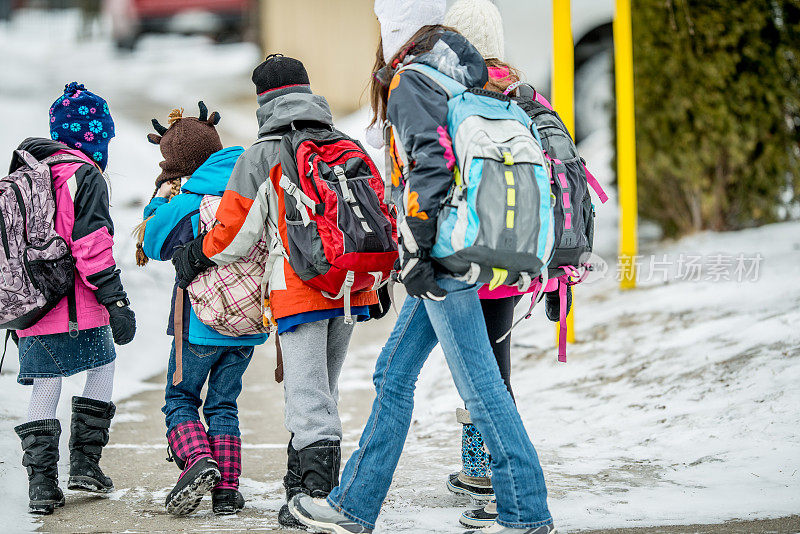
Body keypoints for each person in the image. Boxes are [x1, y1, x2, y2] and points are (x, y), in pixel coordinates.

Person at [288, 2, 557, 533]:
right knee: (394, 372)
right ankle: (354, 507)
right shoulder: (465, 84)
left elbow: (429, 169)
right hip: (458, 253)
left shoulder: (414, 81)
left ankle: (527, 512)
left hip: (443, 261)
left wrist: (417, 250)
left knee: (480, 386)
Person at [170, 54, 380, 529]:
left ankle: (315, 498)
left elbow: (232, 236)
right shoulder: (342, 143)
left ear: (262, 100)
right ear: (308, 91)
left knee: (308, 399)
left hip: (300, 289)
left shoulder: (262, 154)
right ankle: (299, 487)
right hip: (352, 289)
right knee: (322, 391)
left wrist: (195, 254)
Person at [443, 0, 572, 527]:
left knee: (483, 379)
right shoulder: (529, 99)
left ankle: (498, 476)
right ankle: (486, 469)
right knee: (493, 368)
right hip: (519, 261)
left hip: (468, 260)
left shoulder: (458, 98)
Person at [11, 82, 136, 515]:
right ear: (93, 138)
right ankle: (85, 463)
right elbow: (92, 244)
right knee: (102, 366)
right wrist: (116, 300)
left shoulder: (29, 173)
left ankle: (41, 486)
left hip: (32, 308)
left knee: (47, 385)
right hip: (77, 308)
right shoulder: (84, 175)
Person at [138, 103, 268, 516]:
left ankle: (197, 462)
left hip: (198, 326)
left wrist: (160, 196)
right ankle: (226, 491)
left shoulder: (189, 202)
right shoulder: (248, 186)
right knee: (224, 405)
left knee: (180, 399)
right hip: (248, 324)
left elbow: (153, 243)